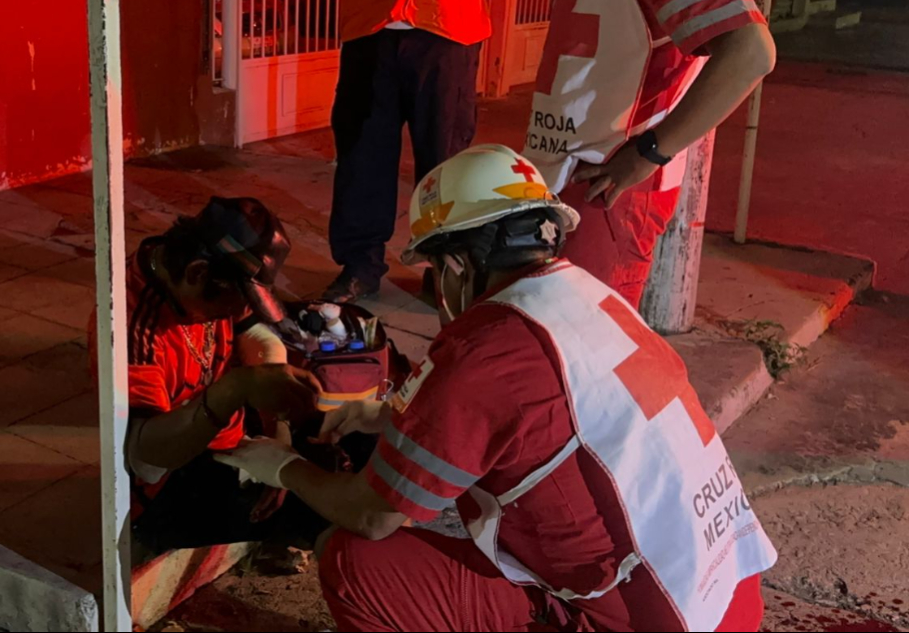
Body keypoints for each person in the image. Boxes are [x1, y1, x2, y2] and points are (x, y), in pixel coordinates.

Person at [217, 145, 777, 632]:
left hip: (639, 616)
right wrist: (383, 413)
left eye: (436, 271)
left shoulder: (484, 349)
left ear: (457, 264)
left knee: (355, 563)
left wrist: (282, 465)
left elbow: (372, 514)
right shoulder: (589, 299)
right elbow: (535, 410)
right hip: (721, 600)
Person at [513, 0, 777, 306]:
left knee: (590, 344)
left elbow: (750, 53)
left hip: (608, 187)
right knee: (554, 336)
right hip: (562, 177)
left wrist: (649, 153)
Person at [87, 196, 329, 554]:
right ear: (198, 273)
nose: (237, 311)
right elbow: (146, 455)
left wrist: (278, 428)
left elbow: (257, 336)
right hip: (170, 478)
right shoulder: (128, 326)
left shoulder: (201, 279)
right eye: (234, 300)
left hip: (225, 435)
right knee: (316, 507)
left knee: (342, 445)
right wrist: (235, 389)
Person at [312, 0, 521, 303]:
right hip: (369, 30)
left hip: (449, 32)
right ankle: (360, 265)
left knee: (446, 160)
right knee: (361, 156)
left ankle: (446, 270)